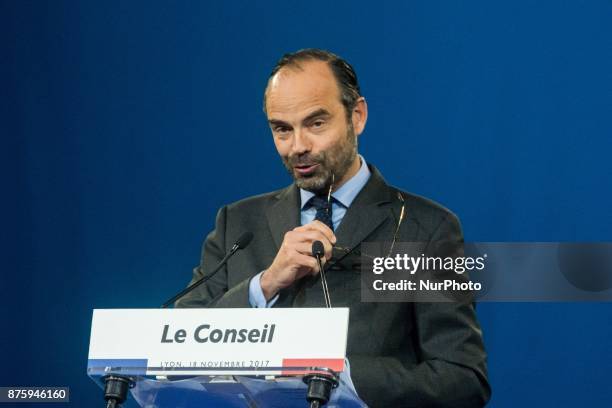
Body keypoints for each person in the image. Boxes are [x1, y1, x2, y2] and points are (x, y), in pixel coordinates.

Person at [176, 48, 490, 407]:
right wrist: (264, 285)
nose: (298, 147)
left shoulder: (426, 228)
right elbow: (176, 341)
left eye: (316, 123)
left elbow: (463, 379)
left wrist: (336, 375)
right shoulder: (238, 223)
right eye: (282, 129)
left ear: (357, 116)